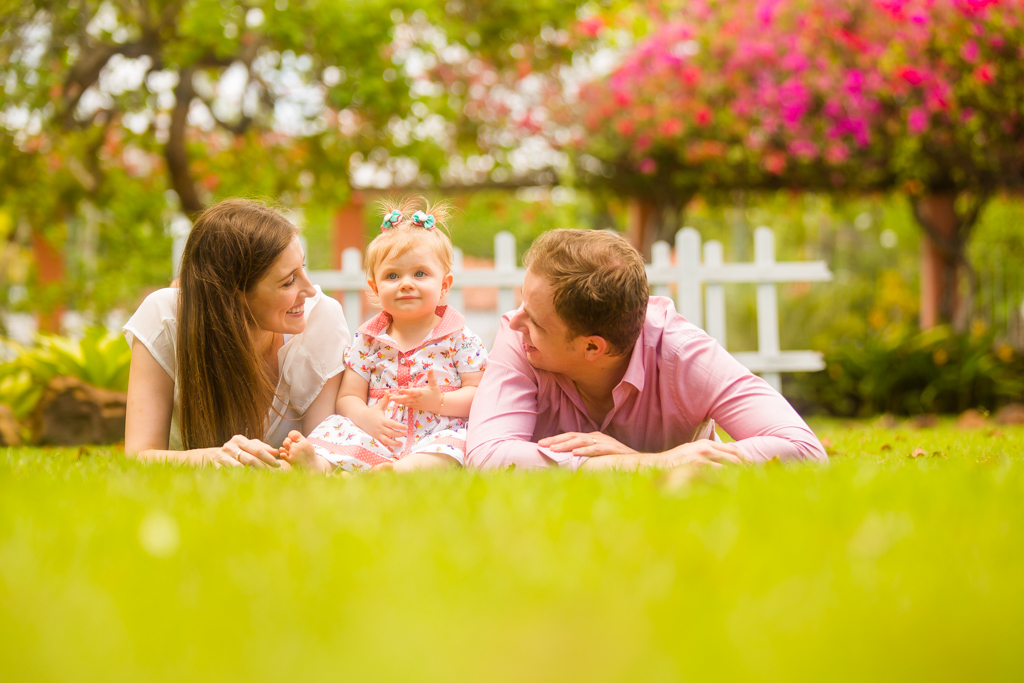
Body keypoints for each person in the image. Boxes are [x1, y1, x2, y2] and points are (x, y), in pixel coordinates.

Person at [466, 229, 827, 471]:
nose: (514, 322)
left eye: (537, 323)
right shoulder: (519, 338)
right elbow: (487, 455)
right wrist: (644, 464)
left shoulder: (681, 353)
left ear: (593, 346)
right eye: (522, 305)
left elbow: (806, 451)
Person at [123, 199, 350, 468]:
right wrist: (211, 457)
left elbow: (322, 455)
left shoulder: (321, 320)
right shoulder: (165, 317)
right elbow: (139, 456)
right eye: (288, 281)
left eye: (303, 268)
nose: (310, 290)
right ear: (234, 294)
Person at [280, 197, 487, 473]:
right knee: (338, 431)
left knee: (453, 447)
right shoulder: (368, 340)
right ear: (375, 287)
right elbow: (348, 397)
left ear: (444, 284)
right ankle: (318, 464)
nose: (406, 284)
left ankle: (402, 471)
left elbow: (478, 393)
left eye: (420, 273)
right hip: (381, 433)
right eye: (392, 276)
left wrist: (438, 402)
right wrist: (366, 418)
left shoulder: (460, 338)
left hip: (438, 430)